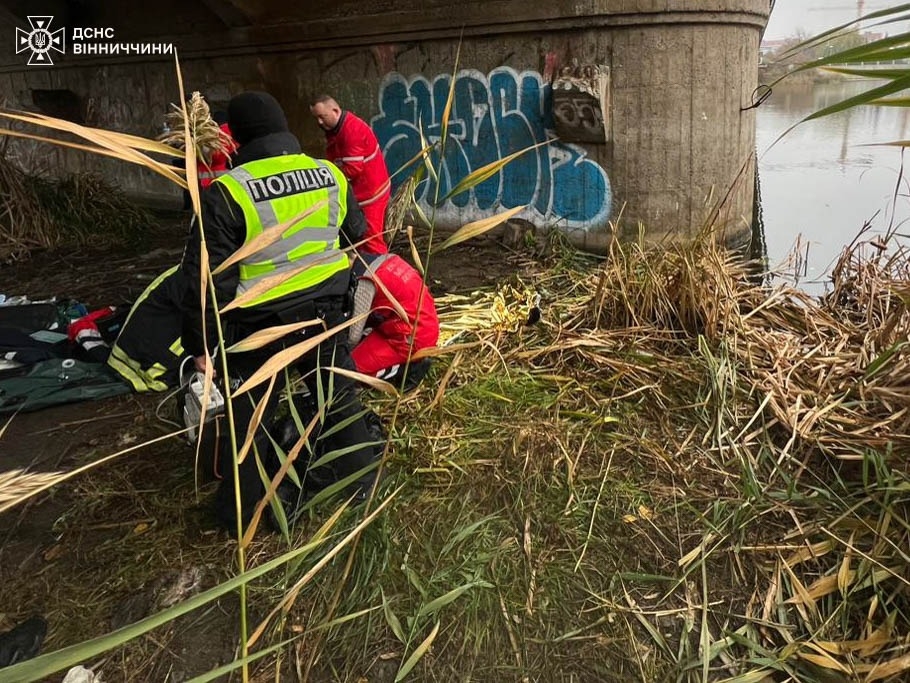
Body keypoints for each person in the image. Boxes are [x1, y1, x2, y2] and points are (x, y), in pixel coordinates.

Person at [180, 90, 379, 531]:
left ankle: (243, 515)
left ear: (236, 140)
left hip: (260, 326)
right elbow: (358, 238)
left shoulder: (228, 192)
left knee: (250, 418)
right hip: (325, 315)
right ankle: (364, 486)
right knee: (340, 397)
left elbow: (203, 282)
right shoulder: (327, 174)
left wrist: (202, 346)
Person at [310, 95, 391, 255]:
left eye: (322, 117)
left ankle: (380, 271)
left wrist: (328, 179)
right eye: (316, 118)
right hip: (365, 193)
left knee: (370, 239)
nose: (319, 122)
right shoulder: (336, 129)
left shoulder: (350, 131)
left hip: (371, 194)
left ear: (335, 110)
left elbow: (353, 169)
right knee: (361, 237)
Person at [349, 252, 439, 391]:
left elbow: (352, 335)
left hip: (411, 338)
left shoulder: (365, 280)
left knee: (349, 372)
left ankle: (408, 368)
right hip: (421, 323)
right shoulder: (384, 258)